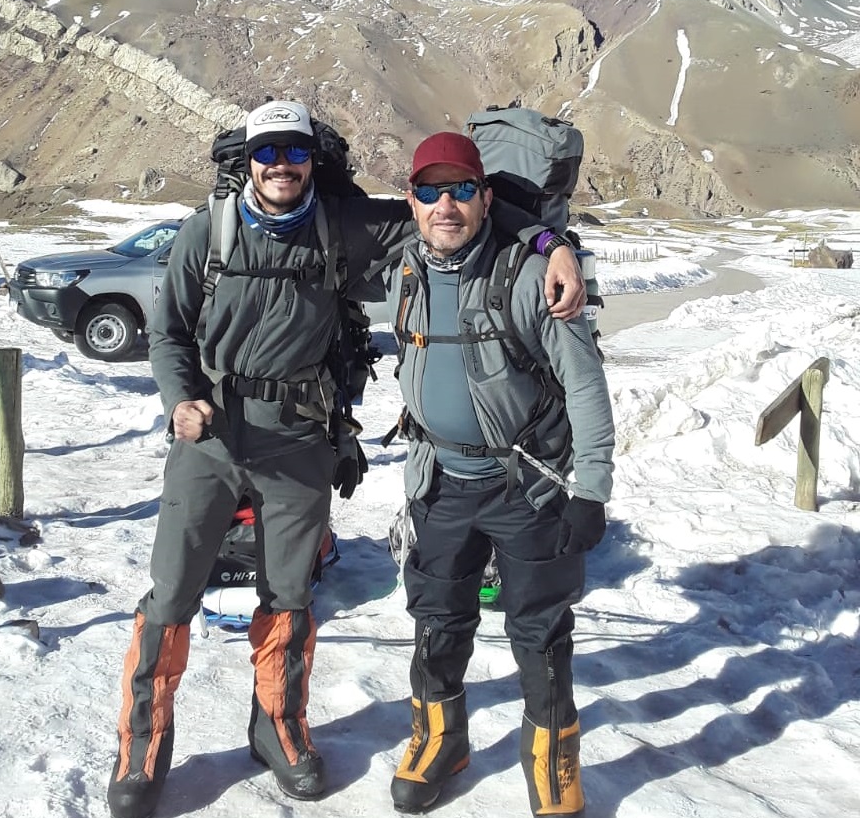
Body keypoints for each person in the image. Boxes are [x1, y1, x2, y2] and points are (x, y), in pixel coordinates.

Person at [106, 101, 586, 818]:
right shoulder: (207, 231)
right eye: (265, 151)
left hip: (297, 438)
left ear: (311, 161)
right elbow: (168, 331)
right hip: (208, 436)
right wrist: (179, 397)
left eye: (293, 152)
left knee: (289, 594)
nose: (279, 165)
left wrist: (551, 241)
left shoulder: (343, 223)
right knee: (172, 592)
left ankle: (277, 727)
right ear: (247, 159)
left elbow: (455, 212)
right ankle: (140, 748)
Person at [384, 131, 614, 816]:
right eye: (429, 190)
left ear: (486, 198)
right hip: (438, 481)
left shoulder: (530, 274)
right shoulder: (404, 265)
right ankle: (439, 740)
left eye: (460, 189)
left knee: (539, 630)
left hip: (524, 483)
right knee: (436, 619)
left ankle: (552, 761)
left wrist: (591, 490)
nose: (444, 204)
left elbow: (585, 385)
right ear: (411, 201)